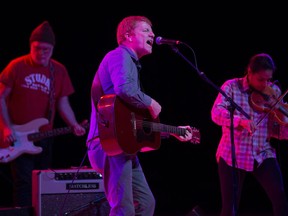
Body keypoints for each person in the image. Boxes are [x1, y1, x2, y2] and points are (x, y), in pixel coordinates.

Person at [86, 15, 195, 216]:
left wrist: (173, 132)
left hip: (122, 146)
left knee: (145, 203)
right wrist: (150, 102)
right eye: (146, 30)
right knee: (124, 208)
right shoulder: (119, 56)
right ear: (128, 35)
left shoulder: (131, 62)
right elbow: (124, 89)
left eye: (151, 30)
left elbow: (133, 124)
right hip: (108, 145)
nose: (152, 34)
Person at [0, 21, 86, 207]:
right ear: (30, 46)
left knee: (42, 181)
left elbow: (63, 102)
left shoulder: (59, 70)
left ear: (53, 49)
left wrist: (73, 124)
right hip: (17, 136)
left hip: (44, 137)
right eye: (37, 48)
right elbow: (0, 98)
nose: (41, 53)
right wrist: (6, 128)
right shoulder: (16, 66)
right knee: (23, 183)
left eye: (46, 49)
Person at [211, 53, 288, 216]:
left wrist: (282, 122)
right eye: (261, 79)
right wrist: (240, 121)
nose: (265, 85)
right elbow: (216, 113)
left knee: (280, 197)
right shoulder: (231, 86)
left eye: (269, 79)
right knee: (230, 209)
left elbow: (277, 132)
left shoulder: (274, 91)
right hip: (233, 153)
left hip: (262, 152)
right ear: (249, 72)